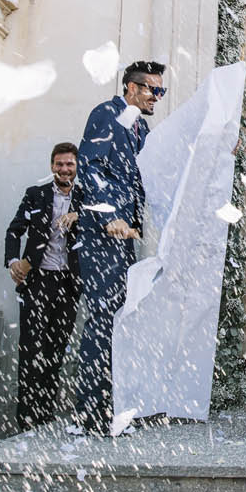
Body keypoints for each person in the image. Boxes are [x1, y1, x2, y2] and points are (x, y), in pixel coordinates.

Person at [74, 60, 163, 433]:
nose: (157, 97)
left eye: (160, 91)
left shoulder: (140, 127)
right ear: (132, 88)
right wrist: (110, 215)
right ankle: (88, 415)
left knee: (118, 323)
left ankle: (112, 407)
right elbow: (89, 166)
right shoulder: (106, 115)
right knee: (101, 322)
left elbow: (160, 164)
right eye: (153, 90)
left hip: (124, 241)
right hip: (100, 237)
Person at [4, 143, 83, 429]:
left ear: (77, 167)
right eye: (59, 164)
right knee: (30, 350)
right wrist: (14, 260)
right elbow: (14, 230)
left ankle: (46, 415)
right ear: (52, 166)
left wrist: (78, 215)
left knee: (56, 350)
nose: (64, 169)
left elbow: (99, 224)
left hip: (68, 283)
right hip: (38, 281)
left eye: (69, 164)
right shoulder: (35, 194)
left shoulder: (85, 200)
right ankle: (26, 419)